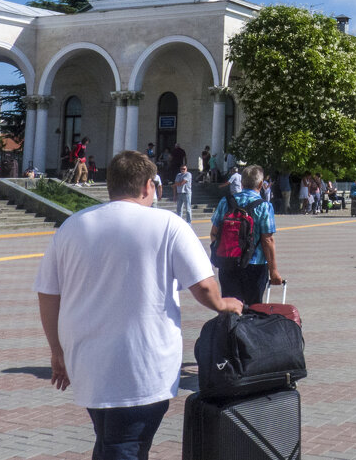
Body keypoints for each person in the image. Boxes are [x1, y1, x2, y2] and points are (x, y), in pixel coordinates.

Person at [34, 150, 243, 460]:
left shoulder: (72, 227)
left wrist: (57, 351)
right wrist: (224, 304)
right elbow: (204, 286)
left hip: (88, 364)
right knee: (124, 448)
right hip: (143, 366)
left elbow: (48, 294)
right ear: (148, 185)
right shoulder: (168, 225)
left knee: (111, 442)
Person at [209, 165, 284, 304]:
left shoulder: (226, 201)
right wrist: (273, 271)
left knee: (231, 310)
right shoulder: (264, 206)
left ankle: (231, 326)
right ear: (261, 184)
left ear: (242, 183)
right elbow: (267, 240)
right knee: (254, 310)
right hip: (254, 265)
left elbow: (214, 232)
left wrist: (221, 252)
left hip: (228, 262)